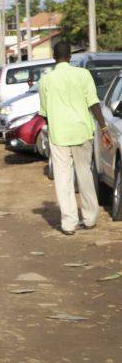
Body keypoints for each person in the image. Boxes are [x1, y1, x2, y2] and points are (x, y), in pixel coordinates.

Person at [39, 41, 112, 235]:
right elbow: (94, 104)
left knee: (63, 178)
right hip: (82, 132)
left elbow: (44, 113)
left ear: (54, 56)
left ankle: (69, 223)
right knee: (85, 174)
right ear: (70, 56)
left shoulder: (46, 80)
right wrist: (104, 128)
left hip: (59, 134)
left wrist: (55, 123)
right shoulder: (83, 74)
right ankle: (89, 218)